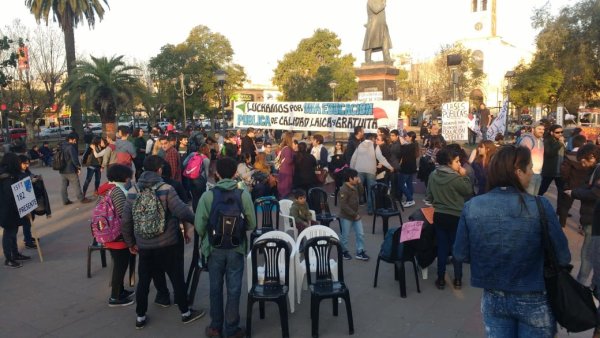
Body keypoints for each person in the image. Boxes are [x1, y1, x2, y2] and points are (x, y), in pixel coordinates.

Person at [454, 145, 571, 337]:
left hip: (493, 296)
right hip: (534, 296)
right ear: (518, 171)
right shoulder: (540, 205)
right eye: (530, 168)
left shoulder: (472, 206)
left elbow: (460, 253)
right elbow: (563, 256)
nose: (532, 173)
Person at [121, 155, 204, 329]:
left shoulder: (133, 191)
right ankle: (185, 313)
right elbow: (182, 211)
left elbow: (126, 220)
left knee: (144, 281)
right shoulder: (166, 189)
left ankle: (140, 316)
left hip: (144, 244)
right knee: (176, 278)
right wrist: (199, 222)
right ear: (159, 169)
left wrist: (130, 243)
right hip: (168, 242)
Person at [195, 157, 256, 338]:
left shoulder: (208, 196)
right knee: (234, 288)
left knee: (215, 287)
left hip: (214, 249)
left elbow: (199, 226)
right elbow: (251, 223)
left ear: (217, 174)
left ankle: (215, 327)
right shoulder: (243, 194)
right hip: (236, 248)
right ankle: (232, 328)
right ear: (235, 174)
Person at [425, 146, 472, 290]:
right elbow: (468, 191)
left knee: (442, 248)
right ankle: (457, 279)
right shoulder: (456, 177)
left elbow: (429, 196)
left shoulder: (433, 175)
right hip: (456, 217)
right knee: (456, 248)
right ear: (449, 162)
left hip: (439, 215)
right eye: (457, 161)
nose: (459, 164)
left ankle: (440, 279)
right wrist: (464, 176)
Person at [98, 164, 136, 307]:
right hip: (117, 236)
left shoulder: (108, 188)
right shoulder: (118, 192)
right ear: (123, 178)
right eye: (128, 177)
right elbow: (123, 215)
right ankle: (115, 297)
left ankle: (120, 290)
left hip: (110, 233)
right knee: (120, 265)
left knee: (120, 263)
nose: (129, 180)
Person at [565, 144, 600, 285]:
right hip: (591, 217)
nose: (582, 164)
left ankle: (582, 284)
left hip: (594, 218)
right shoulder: (594, 169)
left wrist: (574, 193)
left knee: (588, 254)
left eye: (584, 161)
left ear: (592, 157)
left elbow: (595, 193)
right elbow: (589, 187)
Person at [0, 153, 32, 268]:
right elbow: (10, 196)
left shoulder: (9, 175)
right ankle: (8, 258)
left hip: (10, 209)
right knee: (9, 234)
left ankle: (15, 254)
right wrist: (22, 208)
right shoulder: (6, 177)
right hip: (7, 210)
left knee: (13, 233)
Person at [338, 168, 370, 261]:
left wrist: (360, 183)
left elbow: (361, 192)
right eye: (355, 177)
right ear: (350, 178)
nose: (357, 178)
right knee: (345, 236)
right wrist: (354, 215)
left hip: (356, 215)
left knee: (360, 234)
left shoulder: (355, 186)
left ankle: (360, 251)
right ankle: (344, 252)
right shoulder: (343, 190)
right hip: (346, 216)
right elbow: (343, 205)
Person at [60, 133, 92, 205]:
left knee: (64, 185)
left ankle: (65, 200)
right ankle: (81, 198)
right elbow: (74, 159)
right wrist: (78, 167)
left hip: (62, 169)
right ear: (70, 139)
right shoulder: (71, 147)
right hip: (70, 169)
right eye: (74, 140)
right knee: (76, 184)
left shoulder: (62, 146)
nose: (75, 141)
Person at [350, 134, 378, 215]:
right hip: (371, 171)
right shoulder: (375, 146)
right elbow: (381, 157)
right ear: (372, 138)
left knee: (356, 190)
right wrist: (390, 167)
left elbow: (353, 158)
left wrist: (352, 170)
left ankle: (354, 209)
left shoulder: (359, 145)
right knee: (371, 190)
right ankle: (370, 209)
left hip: (359, 170)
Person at [517, 121, 545, 195]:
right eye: (539, 129)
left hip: (538, 174)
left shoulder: (541, 141)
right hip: (529, 174)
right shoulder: (528, 140)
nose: (541, 131)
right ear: (533, 129)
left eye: (543, 129)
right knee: (527, 199)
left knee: (533, 199)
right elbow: (522, 157)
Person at [538, 124, 565, 198]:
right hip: (550, 171)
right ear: (551, 132)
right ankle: (535, 203)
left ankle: (560, 209)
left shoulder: (559, 141)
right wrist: (560, 143)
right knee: (542, 189)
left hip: (560, 171)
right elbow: (549, 153)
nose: (560, 134)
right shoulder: (547, 140)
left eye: (561, 132)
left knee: (562, 191)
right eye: (557, 132)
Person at [397, 131, 419, 207]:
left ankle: (410, 199)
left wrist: (402, 144)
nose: (405, 137)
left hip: (406, 168)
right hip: (411, 168)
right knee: (409, 184)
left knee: (401, 184)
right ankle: (409, 200)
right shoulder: (413, 145)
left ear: (410, 137)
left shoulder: (410, 146)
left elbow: (402, 153)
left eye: (406, 136)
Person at [277, 131, 295, 199]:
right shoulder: (287, 149)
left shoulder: (285, 147)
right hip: (286, 171)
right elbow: (288, 160)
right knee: (285, 189)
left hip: (284, 170)